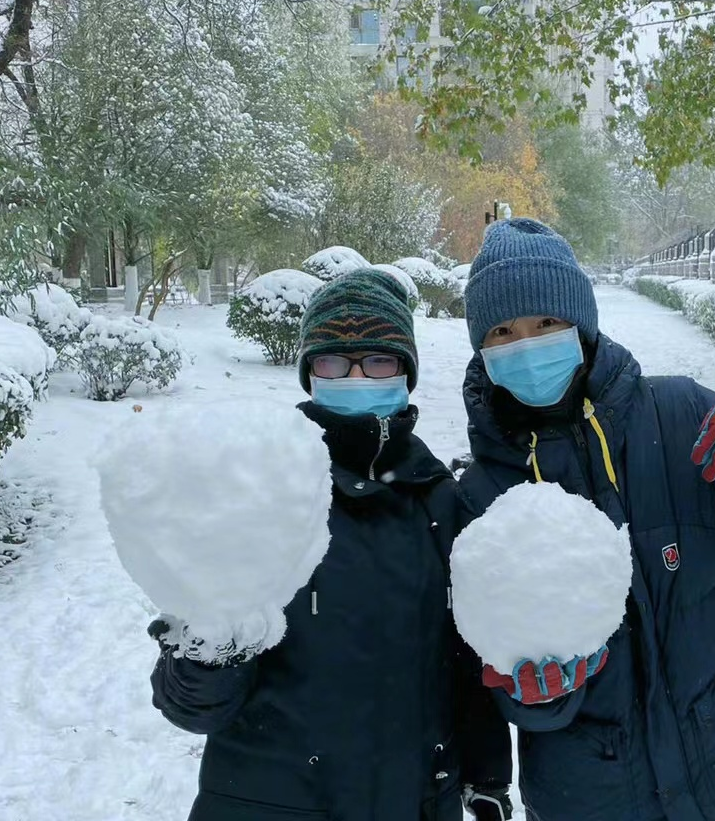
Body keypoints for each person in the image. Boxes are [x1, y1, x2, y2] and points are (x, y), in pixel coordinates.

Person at [458, 219, 715, 821]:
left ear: (580, 324)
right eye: (503, 330)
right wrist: (538, 697)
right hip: (596, 794)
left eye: (547, 323)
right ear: (481, 345)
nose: (526, 344)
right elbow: (504, 683)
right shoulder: (481, 494)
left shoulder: (682, 414)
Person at [150, 268, 513, 821]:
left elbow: (464, 663)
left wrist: (486, 778)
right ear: (309, 373)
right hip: (272, 802)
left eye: (379, 360)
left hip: (413, 799)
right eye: (333, 362)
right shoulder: (256, 490)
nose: (356, 376)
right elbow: (192, 708)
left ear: (405, 372)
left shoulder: (440, 501)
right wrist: (208, 646)